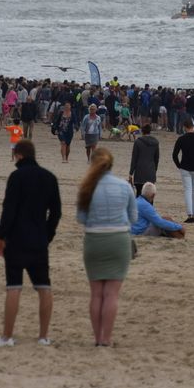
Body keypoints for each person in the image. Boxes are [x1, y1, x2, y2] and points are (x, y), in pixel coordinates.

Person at [0, 140, 61, 347]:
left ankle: (7, 336)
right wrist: (48, 233)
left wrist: (1, 236)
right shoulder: (49, 177)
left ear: (19, 155)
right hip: (38, 239)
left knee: (13, 287)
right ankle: (43, 336)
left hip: (16, 239)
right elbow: (56, 212)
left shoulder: (16, 177)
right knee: (44, 287)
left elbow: (9, 209)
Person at [76, 147, 137, 347]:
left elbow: (81, 218)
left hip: (94, 240)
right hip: (118, 239)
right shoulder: (124, 186)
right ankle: (106, 338)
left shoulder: (86, 188)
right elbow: (133, 218)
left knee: (96, 294)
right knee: (111, 294)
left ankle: (97, 338)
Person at [128, 124, 160, 196]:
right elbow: (156, 158)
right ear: (150, 131)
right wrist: (154, 170)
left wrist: (131, 173)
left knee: (139, 194)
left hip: (139, 173)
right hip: (151, 172)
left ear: (142, 132)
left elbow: (134, 158)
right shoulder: (155, 142)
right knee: (150, 197)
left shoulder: (138, 142)